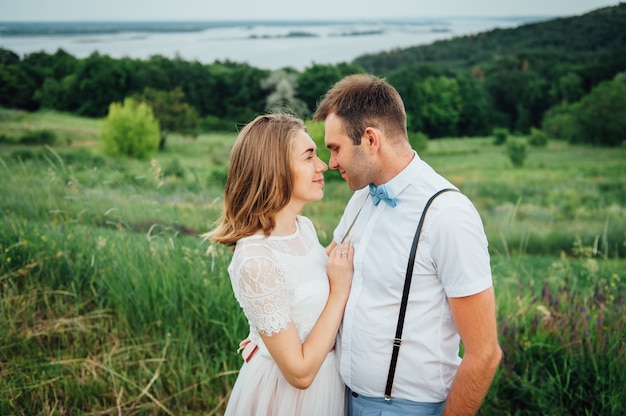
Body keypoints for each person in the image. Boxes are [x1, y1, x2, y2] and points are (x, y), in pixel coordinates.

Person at [313, 74, 502, 416]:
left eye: (335, 148)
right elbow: (321, 275)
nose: (331, 163)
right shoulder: (360, 200)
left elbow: (485, 353)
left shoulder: (447, 215)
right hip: (338, 399)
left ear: (370, 139)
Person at [204, 113, 353, 415]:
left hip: (330, 385)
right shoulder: (255, 258)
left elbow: (303, 285)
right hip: (289, 398)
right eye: (309, 156)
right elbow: (299, 373)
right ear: (276, 168)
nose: (322, 165)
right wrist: (339, 292)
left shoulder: (305, 227)